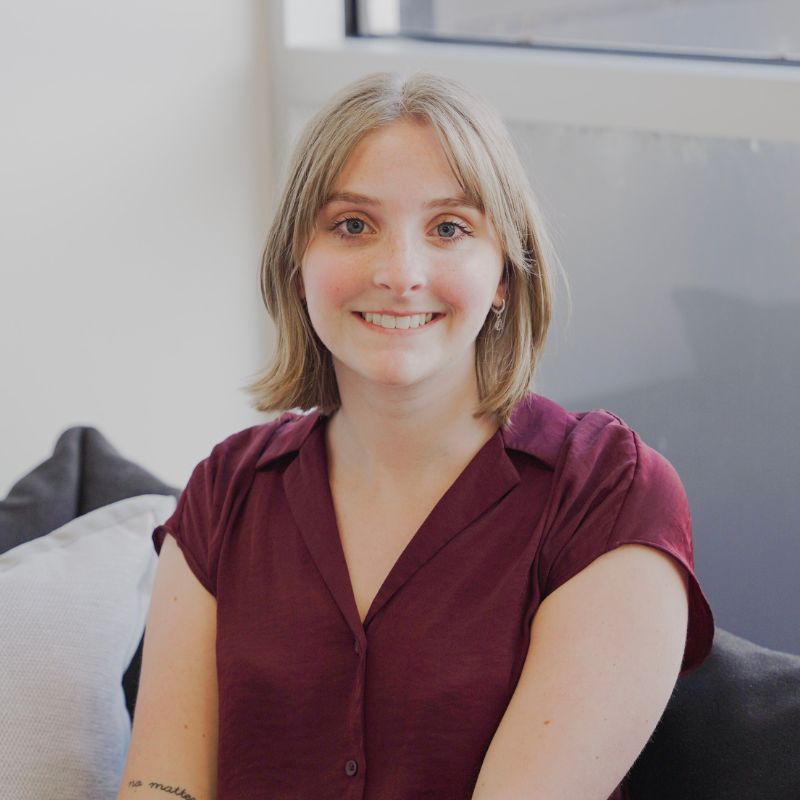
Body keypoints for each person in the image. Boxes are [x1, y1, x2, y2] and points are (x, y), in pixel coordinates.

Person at [117, 72, 715, 800]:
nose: (400, 273)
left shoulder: (606, 494)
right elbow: (161, 789)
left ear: (504, 273)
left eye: (449, 229)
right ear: (297, 264)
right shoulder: (226, 491)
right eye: (352, 225)